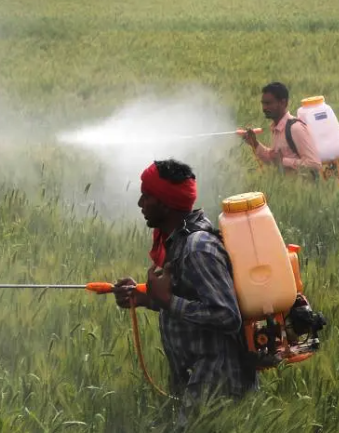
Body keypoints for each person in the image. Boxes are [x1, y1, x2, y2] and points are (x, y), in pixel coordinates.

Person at [113, 159, 258, 416]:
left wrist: (168, 301)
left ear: (166, 203)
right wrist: (145, 297)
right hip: (196, 380)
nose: (140, 204)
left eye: (147, 196)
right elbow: (190, 296)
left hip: (218, 386)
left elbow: (227, 315)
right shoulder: (178, 242)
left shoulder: (197, 248)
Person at [242, 81, 322, 175]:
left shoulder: (296, 128)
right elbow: (273, 160)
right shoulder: (277, 128)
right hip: (287, 187)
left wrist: (283, 161)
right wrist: (254, 143)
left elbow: (315, 164)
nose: (264, 108)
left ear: (283, 103)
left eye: (268, 103)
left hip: (302, 187)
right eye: (263, 104)